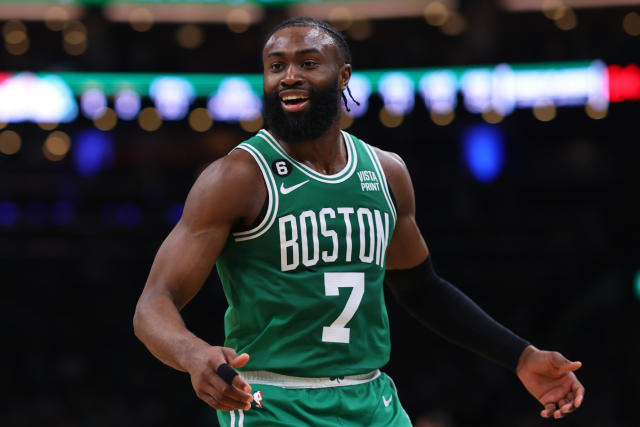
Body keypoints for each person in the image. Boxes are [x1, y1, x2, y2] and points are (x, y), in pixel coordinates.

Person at [133, 16, 585, 426]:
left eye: (308, 63)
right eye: (276, 66)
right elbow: (154, 302)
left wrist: (520, 355)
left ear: (343, 75)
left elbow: (422, 289)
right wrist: (193, 354)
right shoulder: (237, 177)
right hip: (273, 403)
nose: (289, 75)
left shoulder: (386, 172)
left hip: (372, 401)